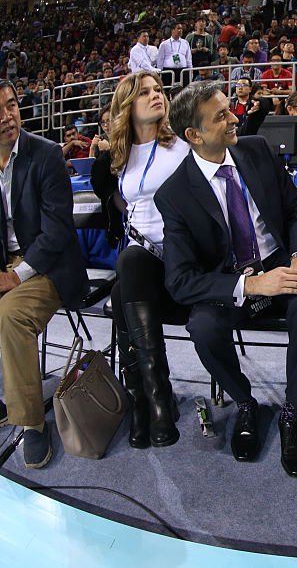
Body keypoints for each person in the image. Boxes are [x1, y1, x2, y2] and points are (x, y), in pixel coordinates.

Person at [155, 81, 297, 477]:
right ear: (194, 136)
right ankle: (245, 403)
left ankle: (291, 411)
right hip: (230, 283)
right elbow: (180, 281)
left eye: (229, 109)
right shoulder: (174, 194)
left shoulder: (257, 150)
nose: (234, 118)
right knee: (202, 327)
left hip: (279, 263)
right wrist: (251, 286)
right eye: (221, 116)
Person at [0, 79, 87, 469]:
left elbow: (58, 231)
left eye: (11, 105)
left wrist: (17, 276)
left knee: (10, 313)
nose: (8, 115)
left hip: (50, 266)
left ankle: (30, 422)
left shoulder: (45, 155)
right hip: (10, 266)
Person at [107, 72, 191, 448]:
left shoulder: (180, 145)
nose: (156, 95)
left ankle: (150, 399)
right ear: (127, 106)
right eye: (145, 93)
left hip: (180, 261)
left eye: (158, 90)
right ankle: (150, 399)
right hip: (144, 262)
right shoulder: (121, 156)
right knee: (124, 279)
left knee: (127, 270)